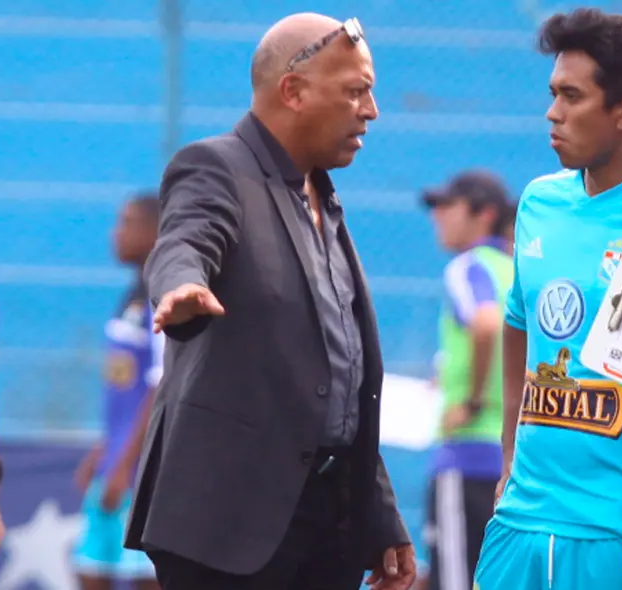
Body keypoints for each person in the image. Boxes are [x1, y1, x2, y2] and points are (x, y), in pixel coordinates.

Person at [123, 12, 415, 590]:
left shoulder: (324, 199)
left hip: (328, 527)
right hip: (227, 530)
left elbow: (338, 381)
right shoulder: (216, 167)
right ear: (294, 91)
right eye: (356, 91)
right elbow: (185, 241)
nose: (372, 110)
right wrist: (181, 284)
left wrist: (380, 514)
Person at [472, 8, 622, 590]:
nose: (553, 112)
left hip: (621, 534)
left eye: (571, 96)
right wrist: (508, 456)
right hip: (519, 522)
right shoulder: (538, 202)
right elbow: (518, 321)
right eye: (553, 94)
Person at [420, 170, 512, 590]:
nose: (437, 216)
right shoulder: (515, 270)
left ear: (484, 214)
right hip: (512, 459)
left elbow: (486, 323)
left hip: (466, 453)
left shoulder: (468, 267)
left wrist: (472, 401)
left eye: (448, 206)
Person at [73, 195, 162, 590]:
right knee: (89, 570)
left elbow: (162, 385)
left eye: (127, 223)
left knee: (144, 577)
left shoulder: (164, 294)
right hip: (115, 458)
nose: (116, 233)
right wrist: (103, 450)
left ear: (156, 231)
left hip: (143, 470)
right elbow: (126, 390)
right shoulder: (133, 293)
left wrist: (127, 464)